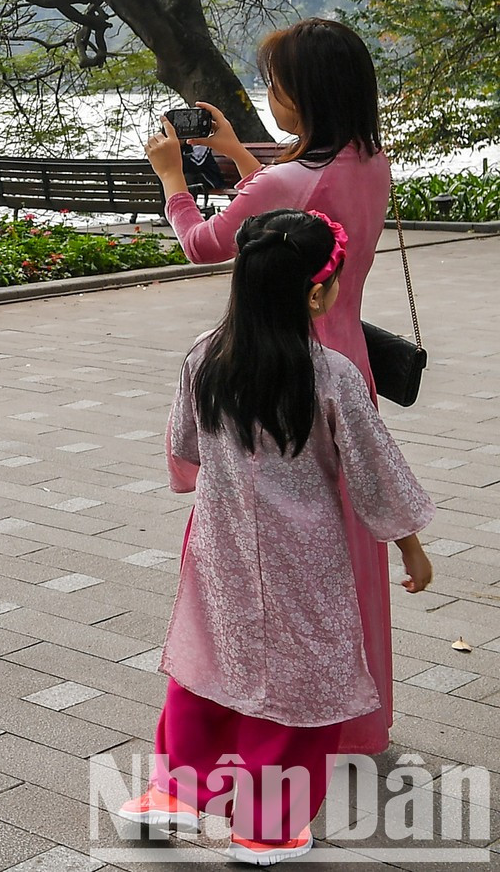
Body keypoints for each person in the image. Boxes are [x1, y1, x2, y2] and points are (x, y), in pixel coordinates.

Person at [117, 209, 433, 863]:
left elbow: (184, 446)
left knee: (206, 664)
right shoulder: (334, 376)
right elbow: (375, 472)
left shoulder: (204, 357)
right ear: (317, 292)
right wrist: (408, 541)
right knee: (301, 683)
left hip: (219, 548)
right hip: (305, 561)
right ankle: (266, 825)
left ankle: (171, 791)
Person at [141, 16, 400, 753]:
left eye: (277, 85)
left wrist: (172, 178)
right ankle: (354, 717)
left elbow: (204, 245)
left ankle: (250, 709)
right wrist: (229, 149)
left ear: (305, 94)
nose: (271, 96)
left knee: (263, 552)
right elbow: (294, 179)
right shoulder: (371, 161)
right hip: (345, 357)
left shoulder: (289, 178)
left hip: (275, 370)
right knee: (345, 550)